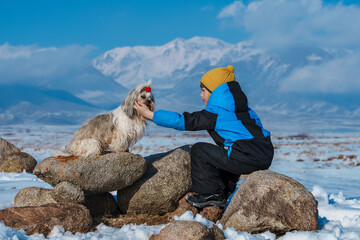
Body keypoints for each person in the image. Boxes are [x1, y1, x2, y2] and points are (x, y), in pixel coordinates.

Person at [134, 65, 274, 208]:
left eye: (203, 90)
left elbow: (185, 121)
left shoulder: (218, 112)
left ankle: (209, 195)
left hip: (246, 155)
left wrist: (150, 115)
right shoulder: (245, 110)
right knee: (224, 155)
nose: (201, 95)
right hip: (264, 155)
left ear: (215, 92)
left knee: (200, 150)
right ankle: (223, 193)